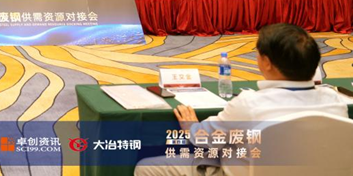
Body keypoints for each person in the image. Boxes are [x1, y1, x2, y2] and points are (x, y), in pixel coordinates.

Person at [134, 23, 350, 176]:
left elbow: (204, 139)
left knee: (146, 167)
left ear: (266, 63)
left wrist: (191, 127)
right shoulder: (336, 102)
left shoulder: (249, 104)